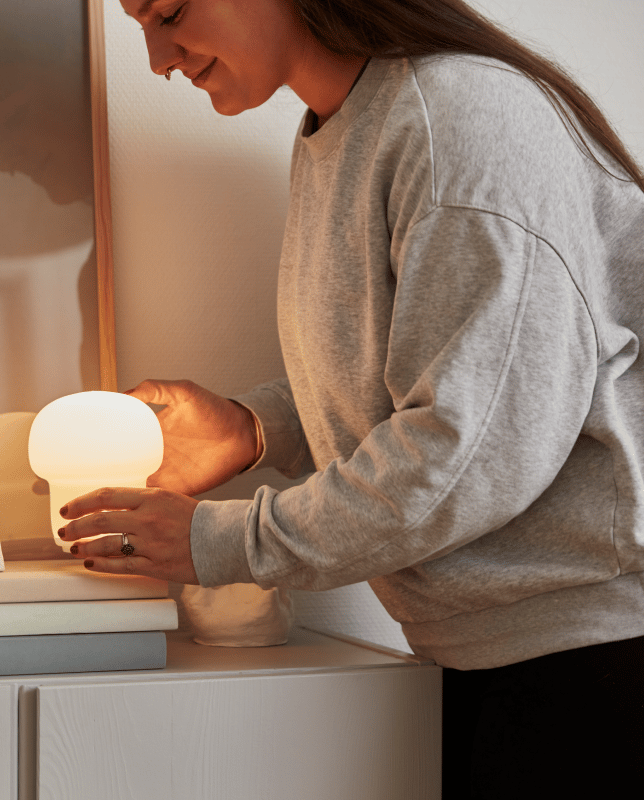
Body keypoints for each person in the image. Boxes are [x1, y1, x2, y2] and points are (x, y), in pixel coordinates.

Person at [57, 1, 644, 795]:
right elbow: (435, 376)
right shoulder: (344, 128)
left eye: (168, 11)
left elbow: (469, 455)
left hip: (597, 667)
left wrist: (222, 540)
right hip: (492, 658)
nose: (159, 58)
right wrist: (251, 430)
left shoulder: (460, 122)